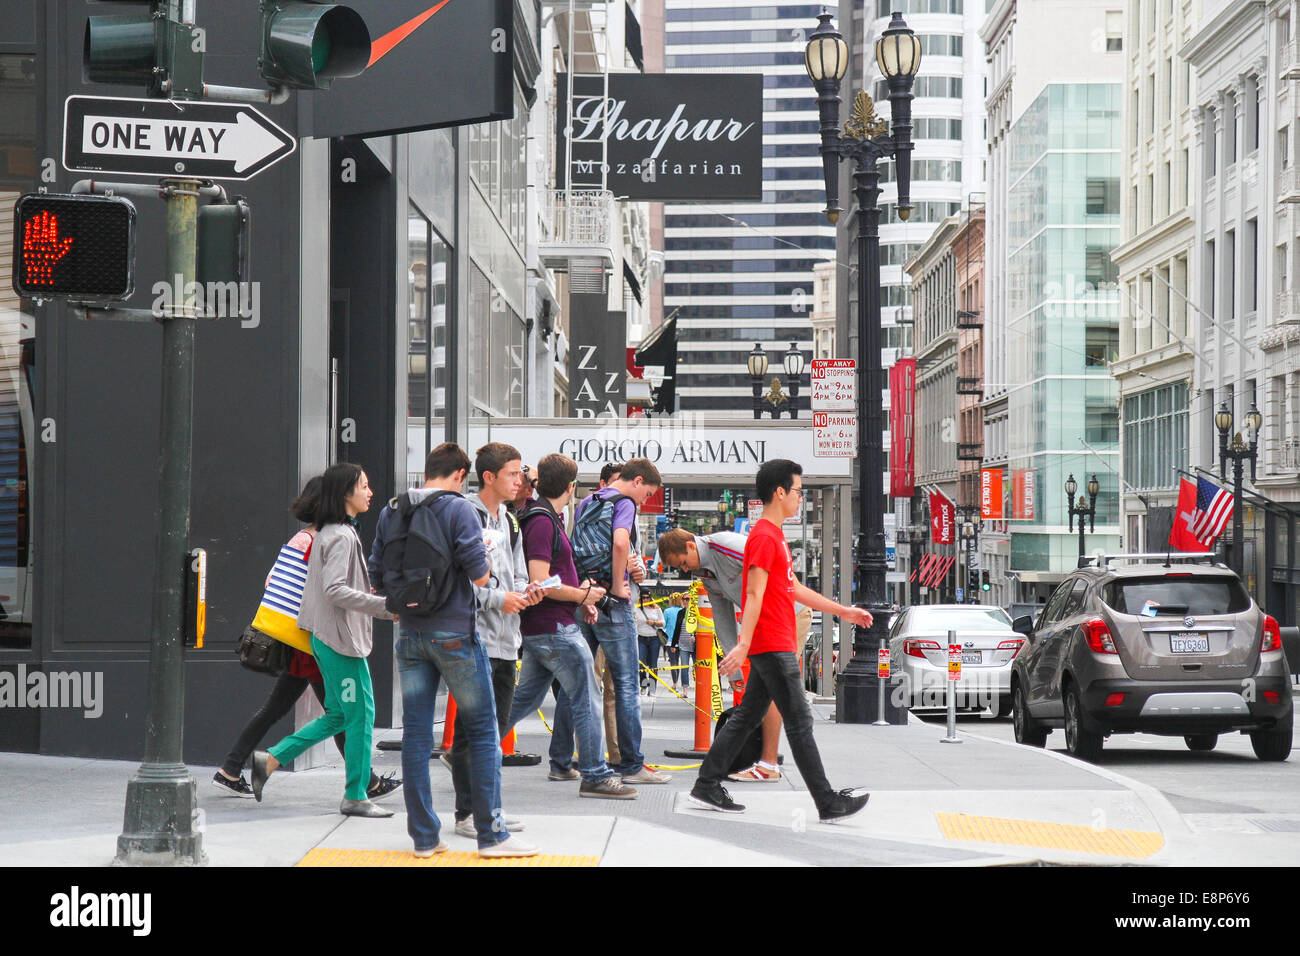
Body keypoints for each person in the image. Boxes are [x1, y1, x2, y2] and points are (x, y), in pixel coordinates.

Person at [369, 442, 537, 859]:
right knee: (483, 732)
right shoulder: (460, 510)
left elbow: (376, 577)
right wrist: (484, 550)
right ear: (462, 475)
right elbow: (481, 577)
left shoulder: (392, 510)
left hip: (409, 635)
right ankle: (492, 834)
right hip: (456, 635)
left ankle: (425, 838)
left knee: (417, 735)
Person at [686, 459, 871, 822]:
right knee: (800, 722)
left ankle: (706, 784)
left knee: (746, 718)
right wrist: (742, 646)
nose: (801, 498)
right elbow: (753, 595)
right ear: (780, 492)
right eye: (798, 491)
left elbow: (793, 589)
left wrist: (844, 612)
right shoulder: (765, 537)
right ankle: (827, 801)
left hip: (773, 641)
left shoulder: (773, 536)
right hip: (772, 643)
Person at [215, 477, 399, 801]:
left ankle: (234, 768)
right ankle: (364, 783)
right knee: (344, 713)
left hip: (305, 639)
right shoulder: (323, 539)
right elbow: (321, 589)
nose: (369, 492)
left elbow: (274, 578)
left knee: (321, 711)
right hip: (314, 641)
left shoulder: (306, 537)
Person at [506, 453, 636, 799]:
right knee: (587, 697)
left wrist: (581, 599)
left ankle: (466, 748)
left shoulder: (545, 517)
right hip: (553, 628)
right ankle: (594, 773)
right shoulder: (543, 521)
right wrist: (581, 596)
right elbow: (540, 580)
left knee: (524, 699)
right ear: (571, 487)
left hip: (545, 626)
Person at [659, 527, 825, 781]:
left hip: (788, 615)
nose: (684, 570)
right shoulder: (705, 573)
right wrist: (733, 668)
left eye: (682, 563)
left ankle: (765, 765)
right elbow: (722, 618)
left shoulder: (726, 545)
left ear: (691, 546)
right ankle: (724, 774)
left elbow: (771, 572)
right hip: (767, 622)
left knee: (772, 689)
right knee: (760, 696)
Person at [437, 442, 542, 837]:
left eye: (521, 474)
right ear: (489, 477)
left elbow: (514, 573)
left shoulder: (510, 521)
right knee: (476, 731)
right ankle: (471, 813)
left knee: (490, 730)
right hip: (475, 637)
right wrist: (503, 598)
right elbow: (463, 583)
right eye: (514, 474)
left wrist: (525, 593)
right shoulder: (465, 515)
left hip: (506, 639)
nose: (521, 481)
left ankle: (487, 808)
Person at [572, 458, 669, 785]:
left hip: (585, 597)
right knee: (627, 684)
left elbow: (577, 546)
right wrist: (617, 584)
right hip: (613, 603)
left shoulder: (587, 500)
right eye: (648, 493)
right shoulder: (624, 502)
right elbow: (619, 542)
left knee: (583, 684)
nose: (645, 500)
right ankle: (632, 765)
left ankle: (570, 761)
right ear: (637, 480)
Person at [634, 586, 667, 695]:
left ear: (651, 597)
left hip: (654, 639)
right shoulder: (637, 608)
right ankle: (643, 685)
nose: (645, 600)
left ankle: (652, 688)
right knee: (641, 663)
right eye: (643, 598)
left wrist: (654, 623)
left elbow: (663, 623)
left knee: (653, 664)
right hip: (641, 638)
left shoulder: (657, 608)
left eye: (647, 597)